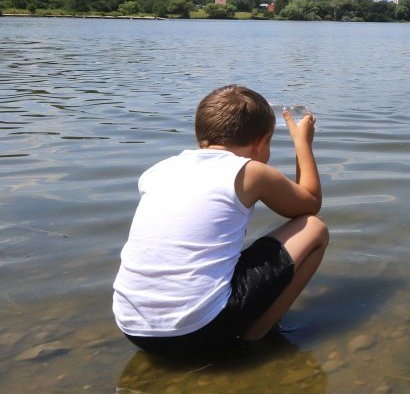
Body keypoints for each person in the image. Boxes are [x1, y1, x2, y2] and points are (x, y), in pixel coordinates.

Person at [112, 85, 329, 357]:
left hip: (134, 329)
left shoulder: (158, 171)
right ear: (263, 142)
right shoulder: (250, 172)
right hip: (200, 330)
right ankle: (255, 334)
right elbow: (310, 203)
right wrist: (302, 143)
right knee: (314, 228)